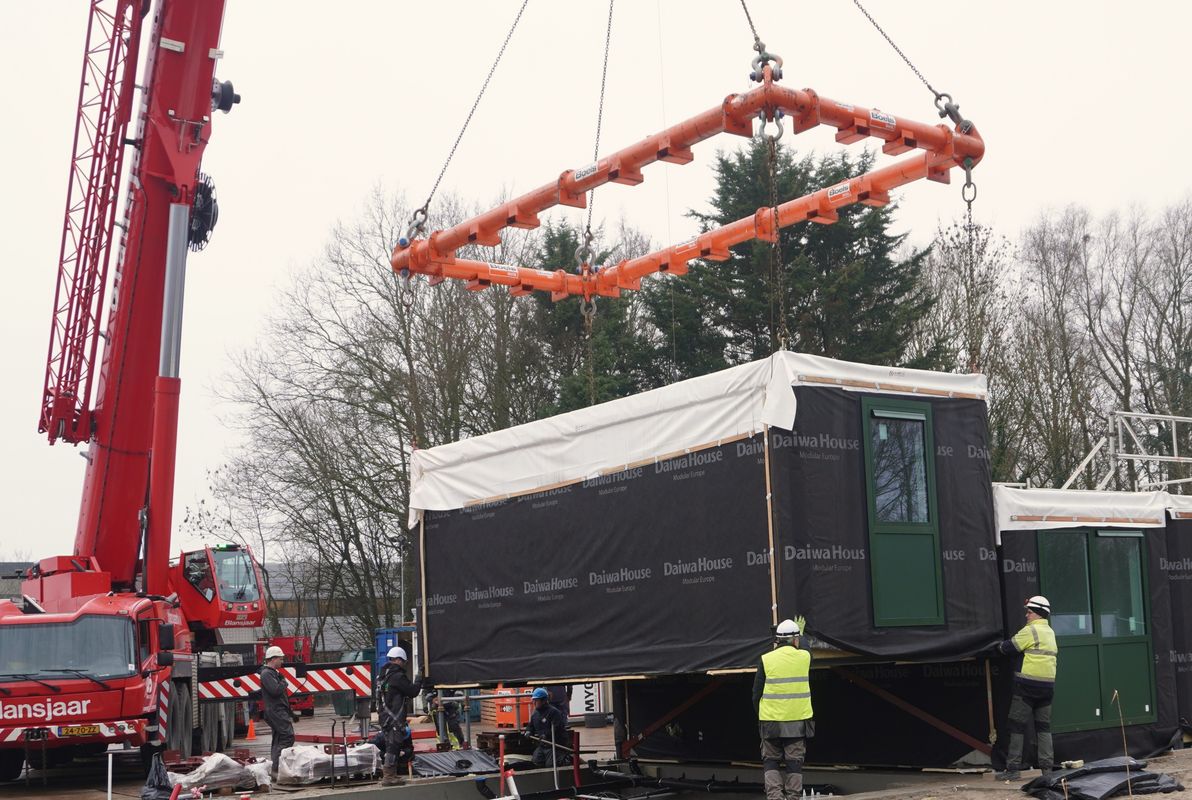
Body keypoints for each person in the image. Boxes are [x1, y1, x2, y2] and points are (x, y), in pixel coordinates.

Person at [991, 595, 1058, 781]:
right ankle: (1047, 771)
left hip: (1027, 687)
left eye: (1029, 612)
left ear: (1037, 614)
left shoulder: (1031, 631)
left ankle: (1013, 769)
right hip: (1047, 688)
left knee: (1016, 727)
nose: (1027, 615)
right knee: (1043, 728)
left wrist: (994, 647)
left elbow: (1007, 648)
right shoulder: (1050, 632)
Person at [753, 617, 814, 800]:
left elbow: (756, 694)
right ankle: (793, 797)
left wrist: (761, 716)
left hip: (770, 722)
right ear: (795, 639)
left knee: (770, 762)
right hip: (797, 723)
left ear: (777, 640)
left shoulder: (765, 659)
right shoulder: (804, 657)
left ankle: (775, 797)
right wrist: (801, 635)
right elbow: (806, 647)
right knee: (794, 763)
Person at [378, 646, 422, 785]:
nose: (404, 664)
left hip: (385, 717)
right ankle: (389, 776)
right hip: (393, 719)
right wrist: (419, 678)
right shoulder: (397, 677)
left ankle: (391, 774)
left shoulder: (383, 676)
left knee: (392, 744)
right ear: (398, 660)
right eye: (404, 662)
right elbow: (413, 691)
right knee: (394, 746)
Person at [260, 645, 294, 779]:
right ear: (273, 659)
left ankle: (276, 769)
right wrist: (284, 682)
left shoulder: (272, 673)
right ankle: (277, 767)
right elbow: (275, 691)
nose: (282, 661)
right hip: (276, 711)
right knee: (287, 737)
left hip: (277, 710)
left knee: (279, 738)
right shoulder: (267, 674)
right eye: (280, 659)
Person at [525, 687, 569, 767]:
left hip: (554, 745)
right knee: (536, 761)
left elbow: (557, 728)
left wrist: (546, 735)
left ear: (544, 700)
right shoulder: (535, 714)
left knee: (551, 765)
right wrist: (528, 731)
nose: (534, 703)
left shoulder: (554, 713)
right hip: (543, 745)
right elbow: (530, 726)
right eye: (533, 700)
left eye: (536, 700)